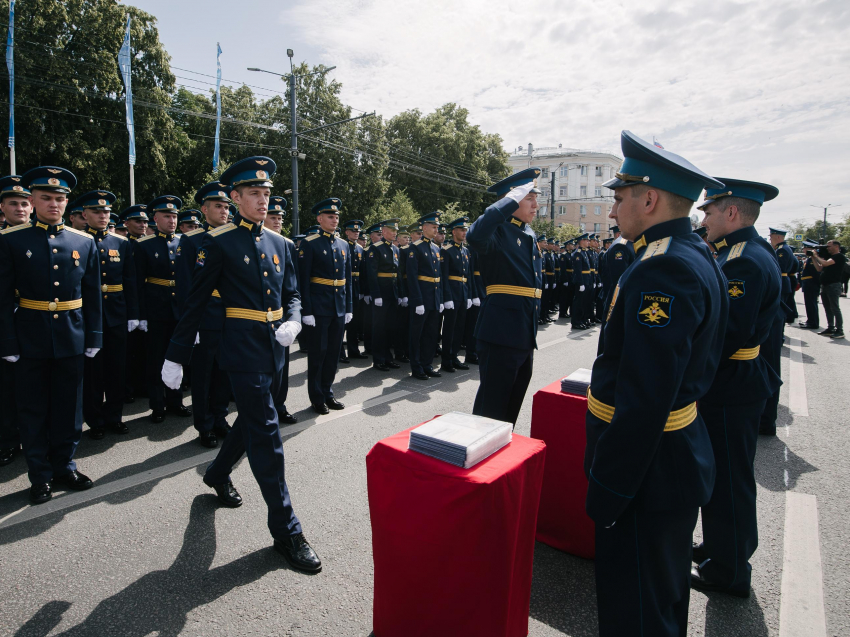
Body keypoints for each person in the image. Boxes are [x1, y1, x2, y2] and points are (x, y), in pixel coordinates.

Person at [585, 131, 727, 637]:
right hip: (669, 458)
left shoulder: (662, 266)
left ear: (649, 199)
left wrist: (609, 485)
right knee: (659, 600)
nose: (614, 208)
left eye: (620, 197)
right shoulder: (687, 252)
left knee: (637, 610)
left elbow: (645, 398)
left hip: (646, 471)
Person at [161, 156, 321, 573]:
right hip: (241, 348)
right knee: (267, 433)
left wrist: (292, 320)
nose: (263, 201)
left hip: (276, 348)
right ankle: (286, 530)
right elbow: (195, 303)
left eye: (267, 194)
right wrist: (176, 354)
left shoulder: (282, 244)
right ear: (235, 198)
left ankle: (216, 471)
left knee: (254, 421)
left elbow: (293, 293)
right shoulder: (218, 242)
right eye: (254, 193)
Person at [692, 178, 783, 597]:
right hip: (737, 383)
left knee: (728, 479)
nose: (703, 217)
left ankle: (728, 570)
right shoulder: (744, 252)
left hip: (731, 385)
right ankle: (719, 548)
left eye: (709, 211)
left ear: (731, 213)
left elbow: (728, 333)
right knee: (727, 475)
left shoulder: (743, 260)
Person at [0, 166, 102, 504]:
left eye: (60, 199)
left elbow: (93, 294)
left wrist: (94, 336)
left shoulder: (84, 241)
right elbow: (1, 297)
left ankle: (64, 466)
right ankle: (40, 476)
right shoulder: (12, 240)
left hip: (72, 337)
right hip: (29, 337)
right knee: (33, 411)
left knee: (68, 410)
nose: (54, 204)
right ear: (32, 200)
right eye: (46, 198)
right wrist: (8, 342)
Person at [467, 168, 543, 425]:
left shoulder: (528, 234)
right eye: (528, 198)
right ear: (510, 200)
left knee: (511, 407)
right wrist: (507, 201)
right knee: (492, 409)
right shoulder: (497, 230)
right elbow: (475, 234)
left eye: (536, 198)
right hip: (500, 331)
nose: (536, 205)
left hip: (524, 331)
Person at [175, 182, 233, 448]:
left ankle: (220, 418)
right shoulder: (190, 240)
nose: (223, 211)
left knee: (224, 372)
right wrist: (191, 324)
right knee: (203, 375)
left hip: (230, 316)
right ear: (204, 210)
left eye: (226, 206)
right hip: (205, 317)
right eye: (217, 206)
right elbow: (186, 286)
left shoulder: (235, 237)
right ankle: (205, 425)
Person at [79, 190, 139, 439]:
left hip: (116, 313)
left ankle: (114, 416)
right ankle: (94, 420)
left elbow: (130, 281)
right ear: (84, 215)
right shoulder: (79, 240)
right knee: (93, 372)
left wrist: (134, 313)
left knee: (116, 369)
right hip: (88, 315)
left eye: (106, 212)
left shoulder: (121, 243)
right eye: (96, 211)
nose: (102, 216)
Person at [134, 195, 193, 423]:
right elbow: (137, 283)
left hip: (179, 309)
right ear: (155, 218)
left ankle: (176, 401)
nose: (172, 220)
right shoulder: (143, 245)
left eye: (175, 216)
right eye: (167, 216)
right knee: (156, 359)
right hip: (155, 310)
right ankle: (157, 404)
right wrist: (140, 315)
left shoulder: (184, 242)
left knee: (177, 356)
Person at [298, 198, 353, 414]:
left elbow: (348, 280)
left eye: (337, 216)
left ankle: (328, 392)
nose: (334, 220)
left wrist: (348, 307)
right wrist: (307, 311)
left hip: (338, 307)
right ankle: (317, 397)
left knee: (333, 354)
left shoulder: (343, 245)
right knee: (318, 354)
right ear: (320, 219)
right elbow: (304, 281)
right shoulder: (309, 244)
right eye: (330, 216)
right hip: (319, 309)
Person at [0, 175, 32, 466]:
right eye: (14, 203)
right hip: (7, 321)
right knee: (7, 389)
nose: (20, 208)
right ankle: (9, 440)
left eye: (24, 203)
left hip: (36, 322)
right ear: (2, 208)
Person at [267, 196, 299, 425]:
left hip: (279, 318)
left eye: (280, 217)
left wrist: (293, 319)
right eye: (273, 217)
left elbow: (290, 289)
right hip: (253, 320)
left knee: (281, 369)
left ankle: (280, 405)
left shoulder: (286, 244)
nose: (277, 221)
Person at [406, 213, 444, 379]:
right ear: (424, 227)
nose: (437, 230)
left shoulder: (436, 248)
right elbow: (412, 277)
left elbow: (439, 277)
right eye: (434, 227)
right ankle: (416, 367)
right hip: (422, 299)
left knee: (431, 333)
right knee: (417, 334)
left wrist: (441, 299)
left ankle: (427, 364)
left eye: (437, 227)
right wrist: (418, 301)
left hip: (434, 298)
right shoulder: (415, 248)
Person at [367, 219, 402, 372]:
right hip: (381, 293)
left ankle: (388, 358)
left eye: (396, 231)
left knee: (391, 327)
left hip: (392, 293)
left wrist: (401, 294)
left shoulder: (395, 249)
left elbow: (398, 273)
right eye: (391, 230)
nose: (394, 233)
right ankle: (379, 359)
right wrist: (376, 294)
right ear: (383, 231)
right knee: (379, 328)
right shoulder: (375, 248)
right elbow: (372, 274)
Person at [440, 216, 475, 372]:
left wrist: (469, 296)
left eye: (465, 230)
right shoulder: (446, 251)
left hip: (463, 293)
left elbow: (468, 276)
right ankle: (446, 360)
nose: (464, 233)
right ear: (454, 232)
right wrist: (447, 298)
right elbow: (444, 277)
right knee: (449, 328)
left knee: (460, 328)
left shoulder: (466, 251)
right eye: (462, 230)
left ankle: (454, 357)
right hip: (452, 294)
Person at [340, 219, 368, 362]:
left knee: (354, 322)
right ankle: (340, 353)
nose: (356, 233)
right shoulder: (343, 246)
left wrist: (364, 291)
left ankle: (353, 350)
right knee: (342, 323)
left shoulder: (360, 248)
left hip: (356, 287)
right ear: (347, 232)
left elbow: (363, 272)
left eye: (357, 231)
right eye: (353, 231)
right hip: (344, 285)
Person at [812, 239, 846, 338]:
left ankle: (840, 330)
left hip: (833, 285)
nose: (827, 248)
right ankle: (830, 328)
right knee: (827, 308)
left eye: (829, 246)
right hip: (825, 286)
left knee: (835, 308)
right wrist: (813, 258)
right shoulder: (829, 257)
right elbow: (819, 268)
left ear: (836, 247)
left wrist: (816, 256)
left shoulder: (839, 256)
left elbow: (825, 264)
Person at [571, 233, 593, 329]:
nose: (588, 242)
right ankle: (576, 321)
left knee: (585, 302)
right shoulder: (578, 253)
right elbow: (578, 271)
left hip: (586, 280)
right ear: (581, 241)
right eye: (586, 240)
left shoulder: (584, 252)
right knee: (578, 303)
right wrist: (581, 283)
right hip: (582, 281)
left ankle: (583, 319)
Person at [798, 242, 821, 329]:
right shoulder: (810, 259)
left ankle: (813, 322)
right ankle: (810, 320)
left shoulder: (812, 259)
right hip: (808, 284)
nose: (803, 250)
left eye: (805, 248)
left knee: (811, 304)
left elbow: (815, 273)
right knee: (809, 304)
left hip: (811, 285)